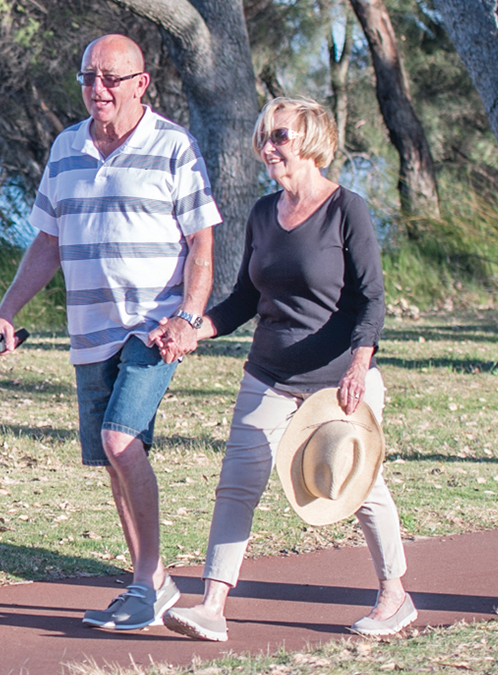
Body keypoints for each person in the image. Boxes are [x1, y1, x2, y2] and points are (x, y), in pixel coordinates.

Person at [0, 33, 221, 633]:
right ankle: (154, 582)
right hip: (89, 330)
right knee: (115, 461)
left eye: (113, 78)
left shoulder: (173, 146)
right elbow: (47, 241)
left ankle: (145, 583)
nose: (99, 89)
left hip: (153, 327)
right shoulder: (66, 148)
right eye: (90, 77)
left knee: (121, 441)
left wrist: (188, 318)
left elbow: (201, 240)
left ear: (142, 84)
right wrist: (7, 311)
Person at [160, 96, 416, 641]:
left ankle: (395, 596)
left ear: (311, 141)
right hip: (269, 372)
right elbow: (244, 299)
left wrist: (358, 365)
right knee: (237, 484)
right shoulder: (261, 214)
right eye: (264, 137)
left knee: (359, 487)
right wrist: (194, 329)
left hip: (338, 380)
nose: (268, 146)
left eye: (279, 136)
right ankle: (212, 607)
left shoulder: (348, 209)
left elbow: (372, 300)